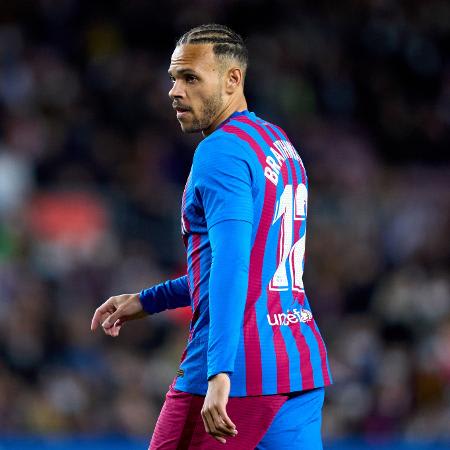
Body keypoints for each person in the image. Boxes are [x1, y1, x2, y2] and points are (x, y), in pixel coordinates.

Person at [91, 24, 332, 450]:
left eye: (190, 78)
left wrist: (220, 372)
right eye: (173, 78)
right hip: (298, 363)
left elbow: (233, 266)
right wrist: (146, 301)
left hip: (239, 373)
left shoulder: (219, 153)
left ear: (232, 79)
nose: (174, 91)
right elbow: (248, 265)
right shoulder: (277, 143)